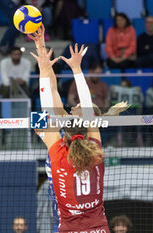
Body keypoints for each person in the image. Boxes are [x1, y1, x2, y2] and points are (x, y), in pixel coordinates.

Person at [29, 25, 129, 232]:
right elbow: (56, 91)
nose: (73, 106)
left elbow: (49, 98)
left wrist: (42, 63)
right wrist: (60, 67)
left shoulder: (60, 139)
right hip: (87, 215)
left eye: (75, 108)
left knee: (42, 120)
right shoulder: (92, 146)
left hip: (64, 205)